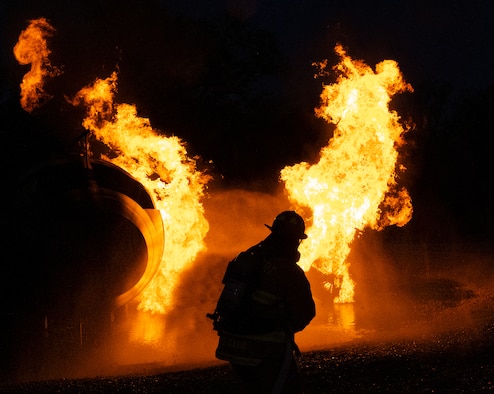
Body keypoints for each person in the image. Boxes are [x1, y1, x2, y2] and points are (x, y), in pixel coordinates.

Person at [208, 211, 316, 393]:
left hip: (231, 345)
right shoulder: (290, 272)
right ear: (295, 240)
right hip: (264, 349)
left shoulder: (246, 258)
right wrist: (281, 325)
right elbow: (305, 313)